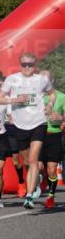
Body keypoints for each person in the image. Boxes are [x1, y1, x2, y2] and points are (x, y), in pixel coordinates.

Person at [0, 53, 54, 209]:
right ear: (20, 64)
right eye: (24, 64)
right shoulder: (12, 79)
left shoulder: (41, 79)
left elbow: (52, 94)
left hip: (39, 122)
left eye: (30, 64)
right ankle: (36, 179)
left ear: (35, 65)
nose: (27, 67)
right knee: (27, 162)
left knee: (33, 160)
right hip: (20, 125)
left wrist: (49, 105)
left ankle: (29, 197)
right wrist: (15, 100)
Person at [38, 69, 65, 208]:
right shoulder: (34, 96)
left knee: (52, 169)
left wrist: (61, 118)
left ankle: (50, 197)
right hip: (37, 135)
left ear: (52, 81)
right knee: (38, 167)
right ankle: (41, 180)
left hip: (54, 134)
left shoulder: (62, 97)